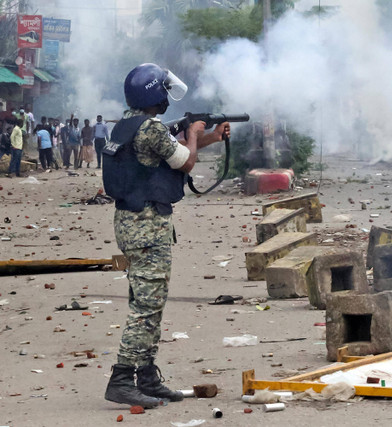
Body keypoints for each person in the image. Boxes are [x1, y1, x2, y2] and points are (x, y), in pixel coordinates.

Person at [102, 63, 230, 408]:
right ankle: (121, 378)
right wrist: (194, 129)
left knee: (150, 300)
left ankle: (146, 377)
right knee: (146, 305)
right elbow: (186, 162)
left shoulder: (130, 126)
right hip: (145, 224)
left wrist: (211, 135)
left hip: (135, 222)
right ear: (155, 93)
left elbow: (175, 153)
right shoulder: (151, 129)